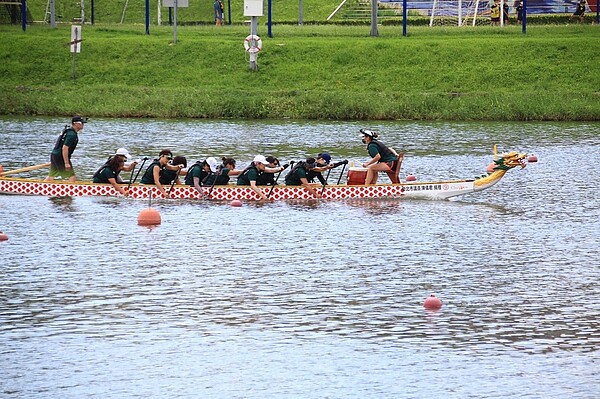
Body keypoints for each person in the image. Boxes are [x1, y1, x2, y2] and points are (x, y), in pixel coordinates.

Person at [44, 115, 85, 182]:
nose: (83, 125)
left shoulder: (69, 131)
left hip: (55, 154)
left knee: (51, 175)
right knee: (71, 176)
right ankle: (71, 191)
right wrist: (66, 163)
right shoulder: (72, 134)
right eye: (81, 123)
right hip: (60, 155)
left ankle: (43, 188)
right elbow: (65, 148)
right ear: (75, 123)